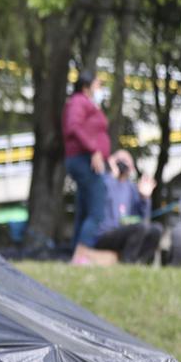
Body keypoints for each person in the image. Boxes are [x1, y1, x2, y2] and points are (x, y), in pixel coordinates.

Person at [63, 70, 112, 255]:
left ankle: (76, 253)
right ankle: (83, 255)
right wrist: (93, 150)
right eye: (98, 85)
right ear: (86, 87)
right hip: (85, 161)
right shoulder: (78, 102)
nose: (100, 89)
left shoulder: (85, 104)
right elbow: (73, 127)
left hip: (85, 159)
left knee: (84, 211)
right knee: (97, 211)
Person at [91, 150, 163, 265]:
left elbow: (144, 220)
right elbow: (100, 197)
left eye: (126, 161)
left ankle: (141, 264)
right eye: (119, 160)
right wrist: (112, 176)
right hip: (104, 234)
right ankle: (127, 263)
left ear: (132, 168)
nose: (122, 164)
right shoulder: (104, 181)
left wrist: (145, 198)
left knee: (156, 229)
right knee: (139, 228)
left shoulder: (132, 188)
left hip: (125, 231)